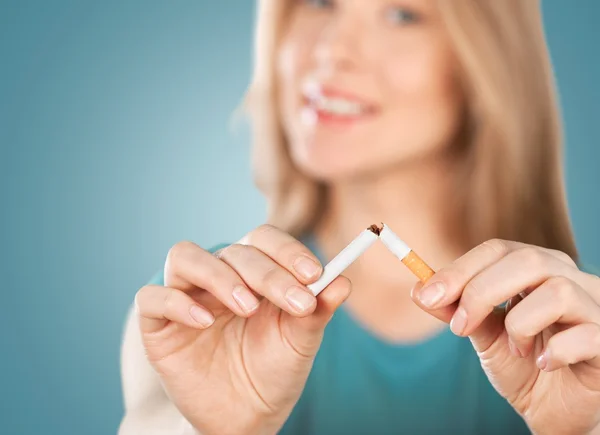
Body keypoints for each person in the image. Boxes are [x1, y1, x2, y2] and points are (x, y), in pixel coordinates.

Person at [119, 0, 600, 434]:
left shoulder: (581, 331)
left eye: (401, 14)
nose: (331, 49)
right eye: (319, 2)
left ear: (487, 61)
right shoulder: (200, 307)